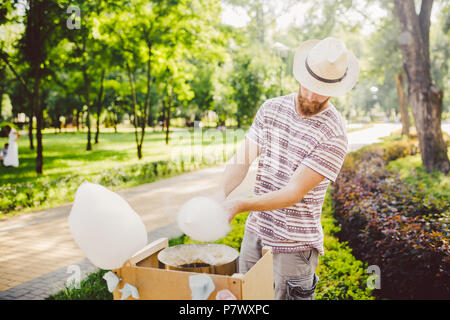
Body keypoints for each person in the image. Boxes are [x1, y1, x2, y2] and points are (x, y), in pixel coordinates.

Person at [212, 37, 359, 300]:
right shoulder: (271, 109)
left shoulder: (334, 133)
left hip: (295, 247)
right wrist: (221, 193)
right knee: (249, 302)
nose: (312, 95)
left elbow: (293, 192)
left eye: (321, 89)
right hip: (255, 233)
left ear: (336, 88)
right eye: (308, 85)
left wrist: (238, 205)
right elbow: (242, 159)